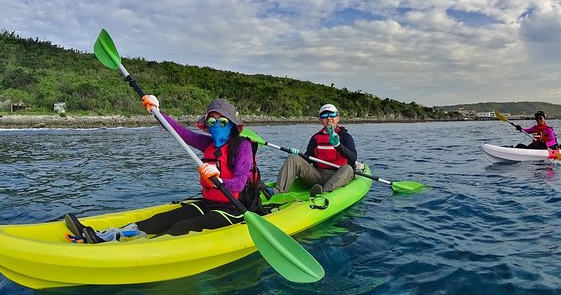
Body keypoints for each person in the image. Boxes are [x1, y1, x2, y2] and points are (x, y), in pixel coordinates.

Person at [65, 97, 262, 243]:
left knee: (181, 227)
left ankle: (128, 247)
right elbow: (179, 132)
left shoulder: (241, 146)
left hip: (234, 209)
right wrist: (157, 110)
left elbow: (240, 182)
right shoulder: (208, 143)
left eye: (223, 121)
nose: (217, 126)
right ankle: (102, 235)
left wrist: (219, 180)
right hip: (207, 203)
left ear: (232, 125)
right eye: (212, 122)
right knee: (159, 220)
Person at [272, 103, 357, 197]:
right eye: (324, 116)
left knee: (348, 169)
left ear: (337, 118)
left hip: (337, 175)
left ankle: (323, 195)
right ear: (320, 120)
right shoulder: (316, 138)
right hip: (317, 176)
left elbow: (353, 157)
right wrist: (297, 155)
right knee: (293, 158)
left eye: (332, 115)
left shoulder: (345, 136)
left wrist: (338, 145)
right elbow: (308, 158)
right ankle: (278, 191)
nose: (328, 119)